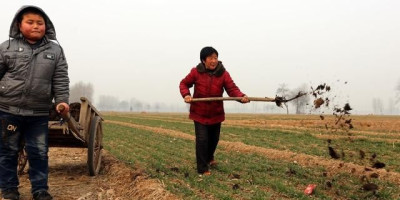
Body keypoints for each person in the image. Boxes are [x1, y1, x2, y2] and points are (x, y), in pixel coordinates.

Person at [0, 5, 69, 200]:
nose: (36, 26)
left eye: (40, 23)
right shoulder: (7, 47)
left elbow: (61, 79)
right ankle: (9, 189)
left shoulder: (55, 50)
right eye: (30, 22)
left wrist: (61, 101)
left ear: (46, 26)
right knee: (8, 151)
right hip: (8, 110)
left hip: (38, 113)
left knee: (39, 153)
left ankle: (40, 190)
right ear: (19, 25)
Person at [179, 46, 249, 175]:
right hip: (199, 113)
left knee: (213, 139)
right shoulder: (196, 72)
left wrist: (241, 97)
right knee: (202, 140)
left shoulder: (223, 73)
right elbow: (183, 84)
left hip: (216, 113)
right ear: (203, 60)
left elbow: (232, 89)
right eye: (210, 58)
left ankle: (209, 158)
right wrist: (186, 95)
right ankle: (202, 168)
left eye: (215, 58)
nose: (213, 61)